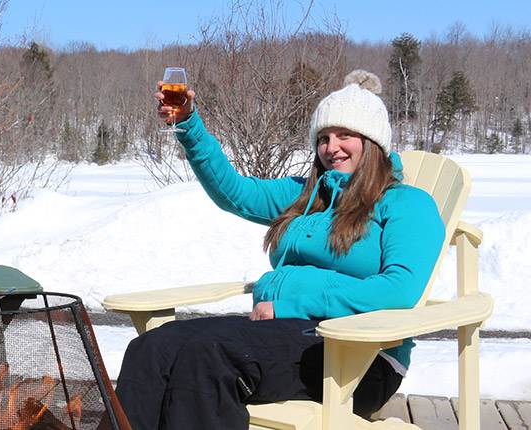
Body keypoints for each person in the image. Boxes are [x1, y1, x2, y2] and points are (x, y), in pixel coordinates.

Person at [113, 70, 446, 429]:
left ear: (374, 142)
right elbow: (234, 193)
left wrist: (293, 305)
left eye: (345, 135)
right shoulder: (306, 195)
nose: (331, 147)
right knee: (152, 347)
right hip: (282, 334)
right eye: (323, 137)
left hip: (358, 355)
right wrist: (190, 126)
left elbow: (400, 288)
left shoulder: (407, 203)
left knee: (207, 356)